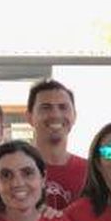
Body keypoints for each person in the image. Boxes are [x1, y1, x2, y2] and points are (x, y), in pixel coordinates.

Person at [25, 79, 87, 209]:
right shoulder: (14, 171)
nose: (55, 114)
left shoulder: (92, 172)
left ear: (74, 116)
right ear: (29, 117)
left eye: (63, 107)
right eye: (46, 107)